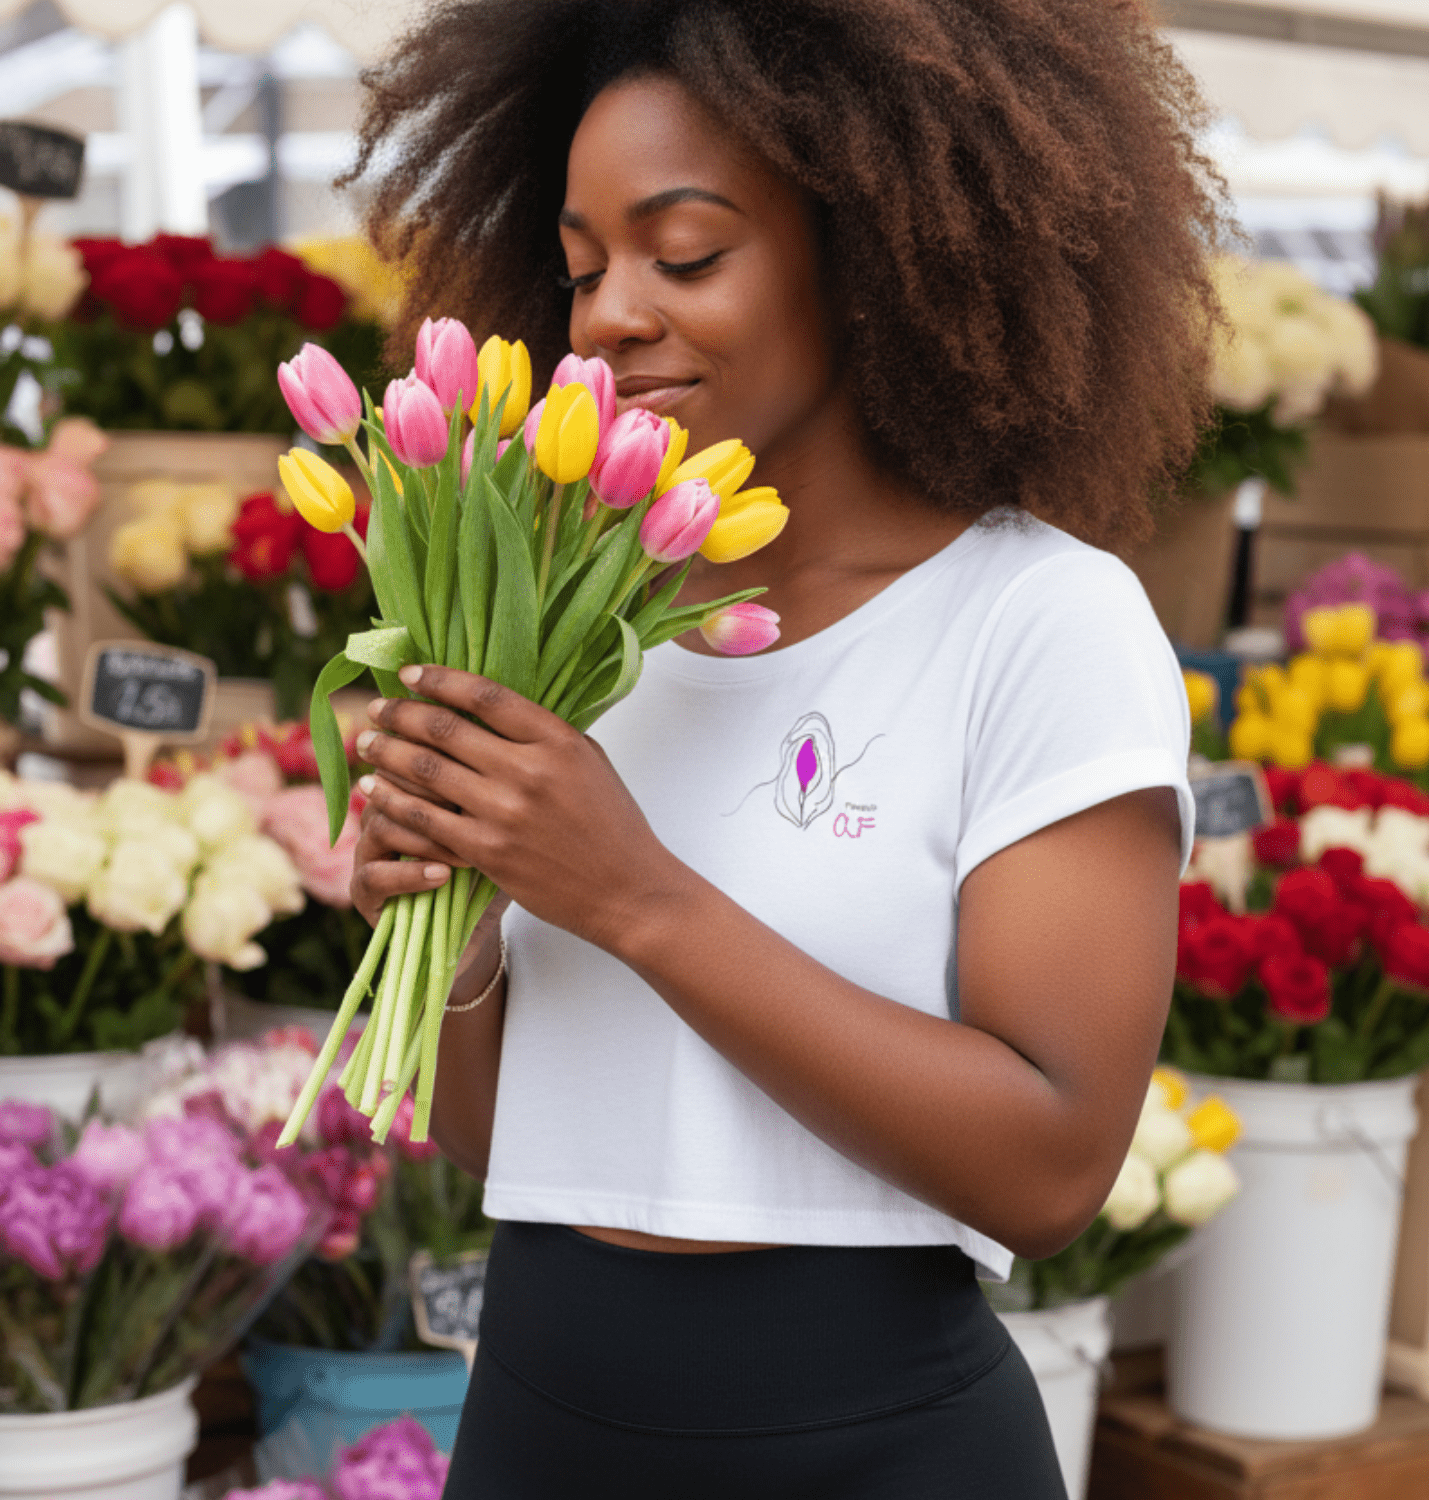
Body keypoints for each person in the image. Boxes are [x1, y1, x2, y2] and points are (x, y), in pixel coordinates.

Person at [344, 2, 1222, 1493]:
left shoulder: (1040, 624)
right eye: (580, 268)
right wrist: (464, 927)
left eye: (685, 254)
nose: (613, 311)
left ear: (874, 251)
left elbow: (1054, 1161)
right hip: (541, 1423)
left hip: (878, 1445)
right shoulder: (560, 621)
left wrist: (634, 896)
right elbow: (507, 1138)